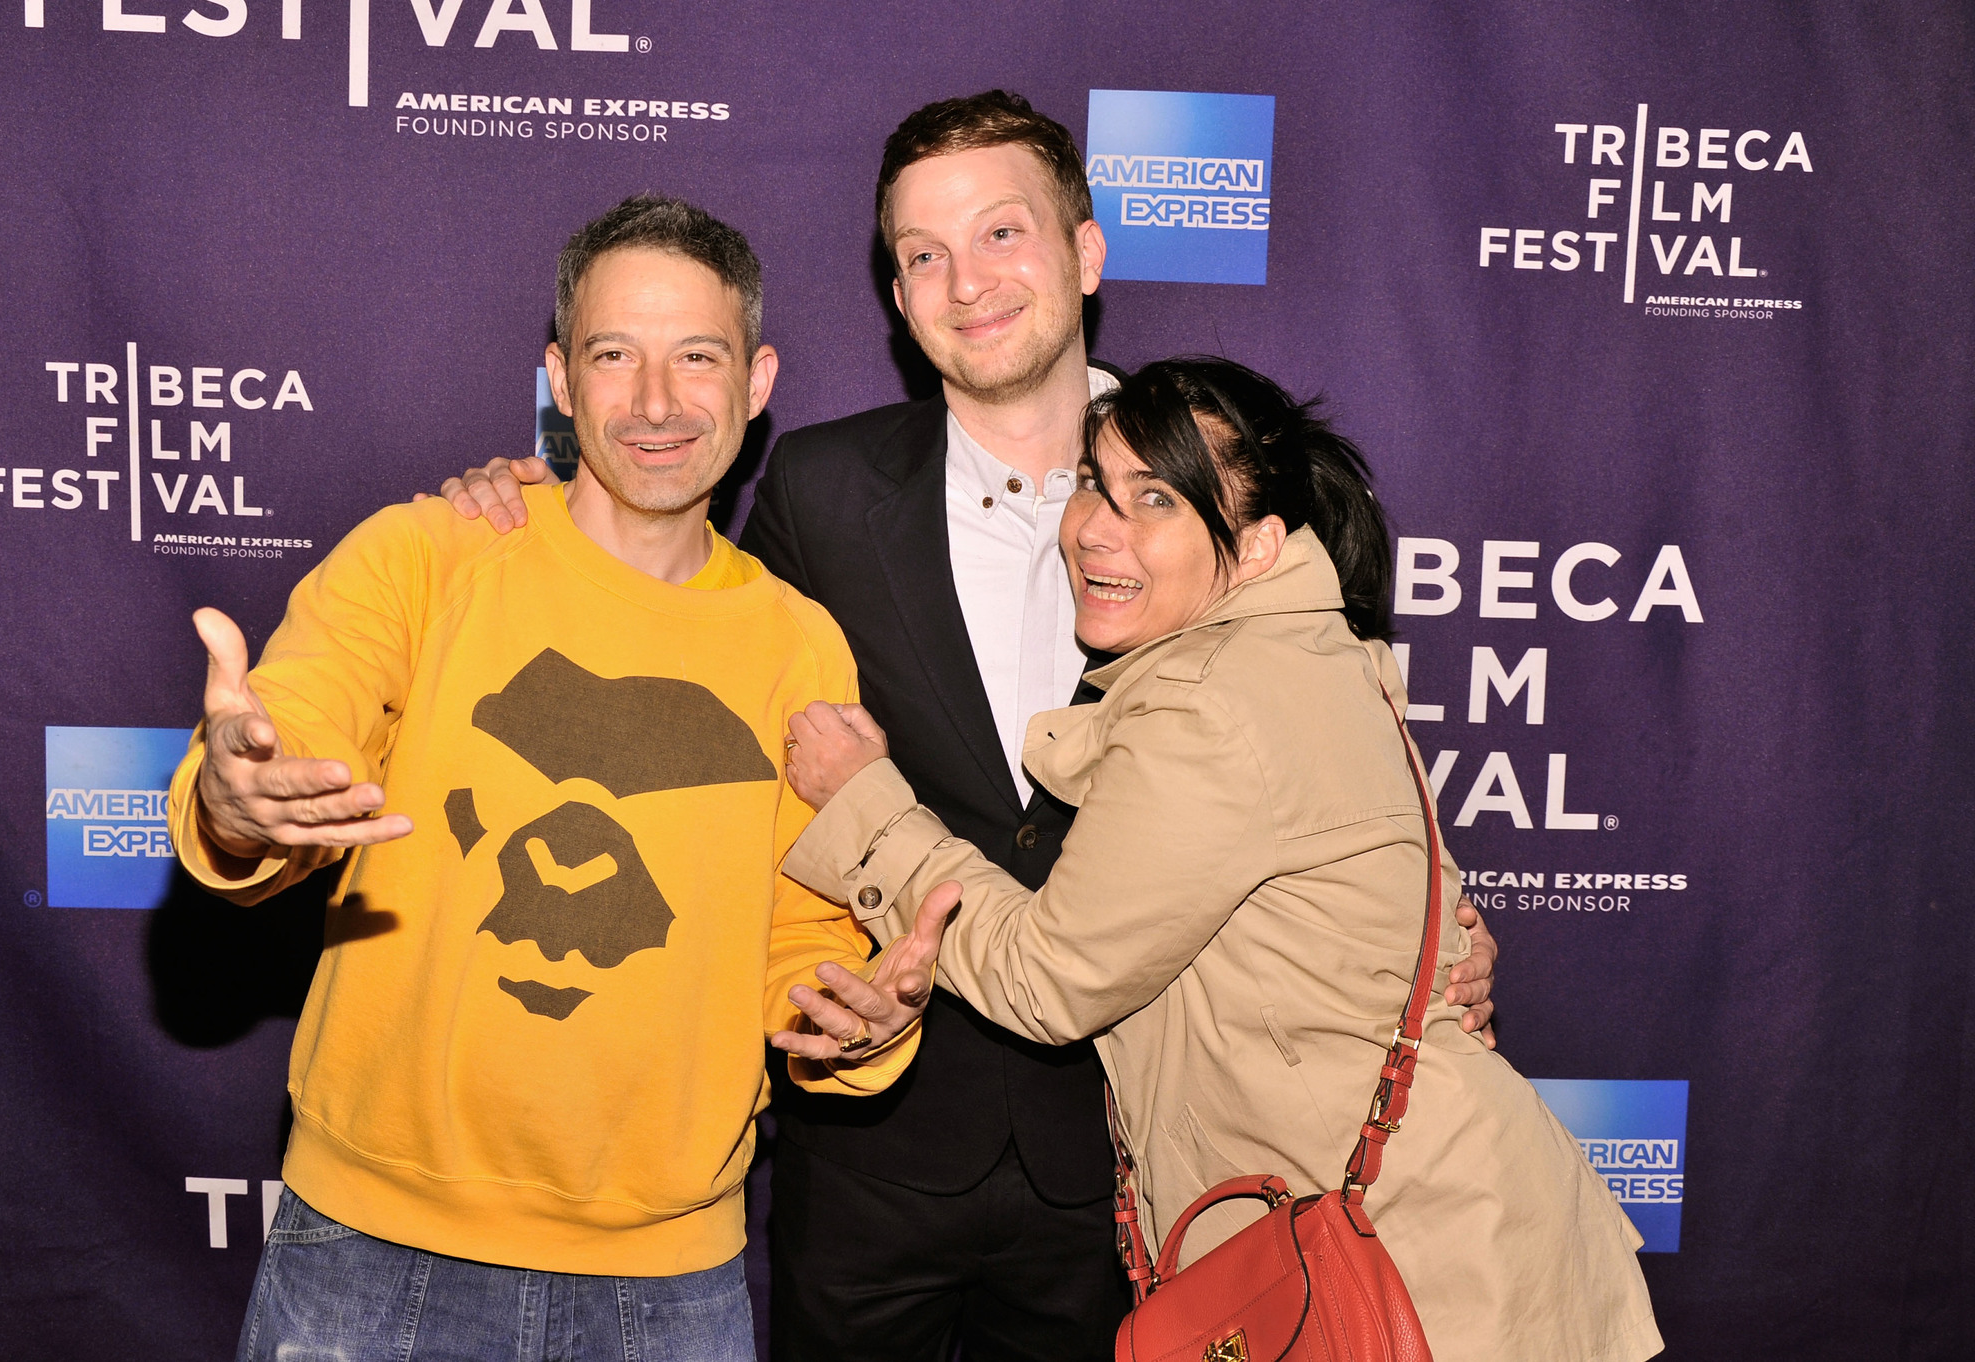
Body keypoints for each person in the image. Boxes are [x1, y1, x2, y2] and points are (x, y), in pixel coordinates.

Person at [435, 91, 1500, 1361]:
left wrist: (1438, 911)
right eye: (922, 255)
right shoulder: (822, 490)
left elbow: (1326, 724)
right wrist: (527, 503)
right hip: (873, 1145)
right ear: (894, 292)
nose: (965, 282)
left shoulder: (1215, 484)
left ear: (1085, 254)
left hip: (1141, 1153)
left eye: (1001, 234)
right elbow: (678, 640)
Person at [168, 195, 951, 1362]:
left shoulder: (800, 646)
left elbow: (795, 933)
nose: (654, 402)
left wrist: (859, 1016)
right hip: (374, 1259)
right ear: (559, 378)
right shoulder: (426, 557)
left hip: (668, 1286)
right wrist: (238, 803)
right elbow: (298, 733)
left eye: (696, 356)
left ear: (756, 378)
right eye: (612, 355)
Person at [776, 357, 1665, 1361]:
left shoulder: (1209, 701)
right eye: (1093, 488)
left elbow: (1046, 980)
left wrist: (865, 807)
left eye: (1153, 499)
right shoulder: (1316, 654)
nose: (1096, 530)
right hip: (1437, 1232)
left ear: (1253, 545)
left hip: (1408, 1268)